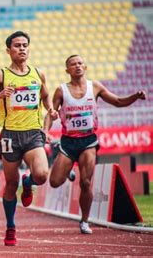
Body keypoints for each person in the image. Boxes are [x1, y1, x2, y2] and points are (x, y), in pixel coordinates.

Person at [45, 55, 146, 234]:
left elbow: (118, 101)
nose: (77, 66)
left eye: (79, 63)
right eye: (72, 64)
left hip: (88, 141)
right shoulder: (61, 91)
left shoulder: (95, 87)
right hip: (68, 142)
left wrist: (135, 97)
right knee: (54, 182)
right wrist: (46, 130)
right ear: (67, 70)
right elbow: (51, 113)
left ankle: (84, 221)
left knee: (85, 182)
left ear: (85, 66)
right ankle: (68, 171)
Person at [0, 31, 58, 246]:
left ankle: (29, 181)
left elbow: (45, 96)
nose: (22, 48)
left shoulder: (38, 73)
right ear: (8, 50)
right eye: (17, 45)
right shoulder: (0, 75)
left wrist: (50, 111)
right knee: (11, 184)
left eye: (25, 45)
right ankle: (11, 226)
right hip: (10, 136)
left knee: (41, 175)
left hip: (33, 133)